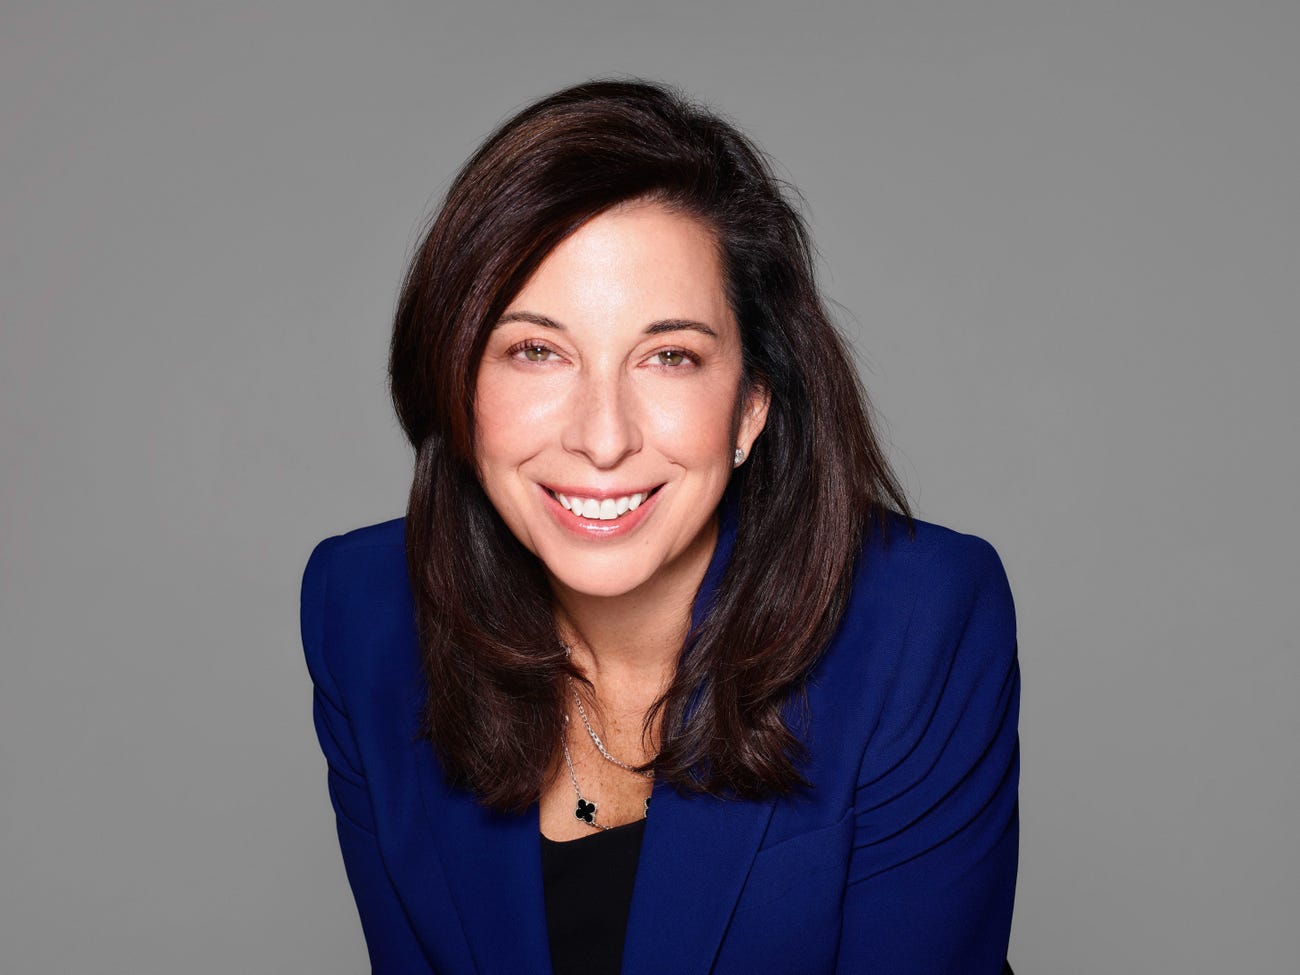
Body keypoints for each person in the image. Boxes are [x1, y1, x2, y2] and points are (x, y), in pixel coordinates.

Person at [301, 79, 1020, 975]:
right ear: (456, 379)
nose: (603, 437)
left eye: (669, 356)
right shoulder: (362, 612)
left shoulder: (919, 619)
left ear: (752, 402)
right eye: (537, 350)